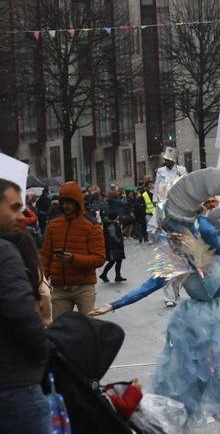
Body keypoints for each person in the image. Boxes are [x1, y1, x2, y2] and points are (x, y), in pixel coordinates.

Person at [90, 168, 220, 433]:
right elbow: (150, 285)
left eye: (174, 226)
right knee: (181, 382)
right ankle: (172, 425)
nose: (171, 232)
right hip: (193, 320)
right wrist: (114, 304)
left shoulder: (205, 232)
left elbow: (217, 244)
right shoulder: (173, 256)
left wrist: (198, 230)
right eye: (168, 228)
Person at [0, 178, 52, 434]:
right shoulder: (6, 252)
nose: (20, 215)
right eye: (13, 207)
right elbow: (21, 315)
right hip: (15, 384)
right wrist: (44, 349)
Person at [40, 180, 106, 317]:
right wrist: (42, 282)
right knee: (59, 332)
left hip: (83, 288)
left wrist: (73, 259)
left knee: (88, 330)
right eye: (63, 202)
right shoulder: (53, 225)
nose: (66, 206)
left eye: (69, 202)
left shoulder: (92, 226)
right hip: (59, 289)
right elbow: (45, 256)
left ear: (77, 203)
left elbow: (99, 258)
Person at [99, 211, 126, 283]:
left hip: (114, 245)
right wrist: (118, 242)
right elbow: (113, 235)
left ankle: (118, 275)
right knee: (113, 261)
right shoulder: (111, 224)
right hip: (113, 246)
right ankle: (104, 274)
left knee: (118, 260)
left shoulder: (111, 223)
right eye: (117, 215)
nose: (118, 216)